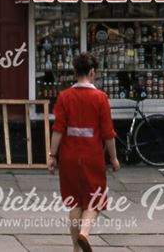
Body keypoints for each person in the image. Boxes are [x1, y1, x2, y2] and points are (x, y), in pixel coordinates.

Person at [47, 52, 119, 252]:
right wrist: (113, 158)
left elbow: (58, 129)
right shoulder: (100, 98)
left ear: (75, 72)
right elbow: (108, 133)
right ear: (92, 73)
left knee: (74, 202)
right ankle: (84, 234)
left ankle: (75, 250)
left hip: (69, 157)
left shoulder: (64, 97)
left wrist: (52, 156)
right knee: (94, 200)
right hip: (92, 157)